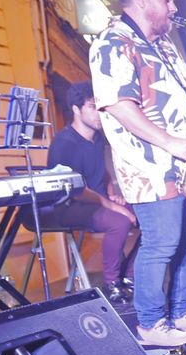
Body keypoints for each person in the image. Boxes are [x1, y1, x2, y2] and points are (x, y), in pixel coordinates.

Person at [90, 0, 186, 348]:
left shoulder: (165, 44)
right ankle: (152, 323)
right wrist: (170, 143)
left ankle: (183, 311)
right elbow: (119, 105)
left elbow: (175, 99)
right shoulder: (112, 42)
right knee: (162, 243)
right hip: (151, 168)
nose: (174, 6)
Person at [39, 81, 137, 300]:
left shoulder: (98, 138)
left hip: (97, 200)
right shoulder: (64, 143)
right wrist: (111, 205)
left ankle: (129, 278)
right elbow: (75, 191)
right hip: (70, 205)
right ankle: (112, 284)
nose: (100, 114)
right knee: (119, 221)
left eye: (101, 108)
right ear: (76, 109)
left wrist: (112, 192)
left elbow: (103, 173)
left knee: (150, 216)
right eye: (93, 107)